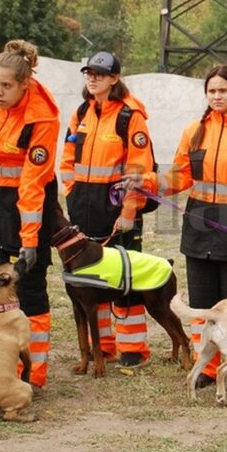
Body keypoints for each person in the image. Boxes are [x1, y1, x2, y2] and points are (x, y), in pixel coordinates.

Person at [133, 64, 227, 391]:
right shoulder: (194, 131)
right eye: (211, 91)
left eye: (223, 90)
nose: (216, 96)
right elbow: (179, 177)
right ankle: (209, 367)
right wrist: (146, 182)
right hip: (200, 225)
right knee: (204, 301)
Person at [0, 40, 59, 390]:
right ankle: (7, 364)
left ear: (25, 84)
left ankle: (34, 375)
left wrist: (31, 239)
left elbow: (33, 184)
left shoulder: (42, 118)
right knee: (3, 286)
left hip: (31, 203)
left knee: (31, 286)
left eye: (6, 86)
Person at [59, 51, 157, 370]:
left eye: (100, 74)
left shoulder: (131, 115)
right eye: (89, 72)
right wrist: (72, 192)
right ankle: (104, 348)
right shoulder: (81, 112)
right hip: (84, 208)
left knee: (126, 278)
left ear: (114, 78)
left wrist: (128, 212)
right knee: (91, 280)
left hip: (116, 209)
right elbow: (68, 157)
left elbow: (137, 168)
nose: (92, 78)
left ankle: (133, 348)